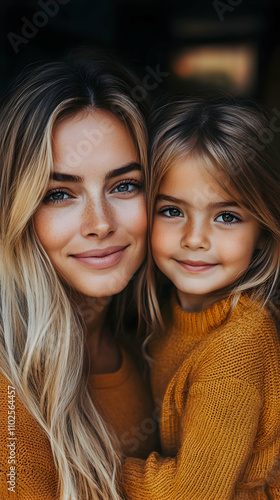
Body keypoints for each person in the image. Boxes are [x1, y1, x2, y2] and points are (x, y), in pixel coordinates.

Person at [0, 49, 157, 500]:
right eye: (59, 194)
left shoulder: (150, 345)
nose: (100, 222)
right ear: (19, 211)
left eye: (124, 185)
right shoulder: (12, 393)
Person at [121, 96, 280, 499]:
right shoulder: (159, 317)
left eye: (227, 216)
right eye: (172, 211)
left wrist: (89, 463)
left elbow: (191, 494)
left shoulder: (239, 345)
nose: (194, 239)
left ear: (262, 232)